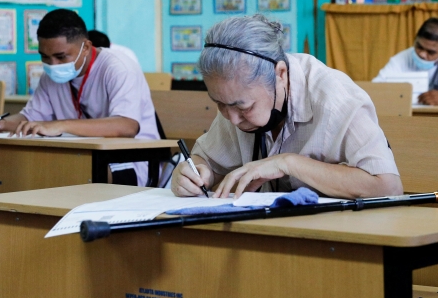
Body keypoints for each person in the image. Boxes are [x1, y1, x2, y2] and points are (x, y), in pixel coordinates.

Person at [171, 15, 402, 199]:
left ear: (280, 74)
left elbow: (388, 186)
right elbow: (206, 161)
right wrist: (193, 174)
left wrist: (288, 163)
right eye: (219, 104)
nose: (231, 118)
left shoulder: (334, 98)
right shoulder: (235, 97)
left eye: (244, 107)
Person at [0, 9, 158, 185]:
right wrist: (0, 125)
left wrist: (60, 125)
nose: (52, 64)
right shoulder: (50, 76)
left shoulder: (118, 68)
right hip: (79, 154)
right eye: (45, 57)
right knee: (24, 169)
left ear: (85, 47)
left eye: (61, 57)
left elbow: (127, 126)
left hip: (130, 160)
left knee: (65, 174)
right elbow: (30, 118)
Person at [373, 17, 438, 105]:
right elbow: (375, 88)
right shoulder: (402, 58)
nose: (422, 54)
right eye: (419, 46)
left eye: (431, 52)